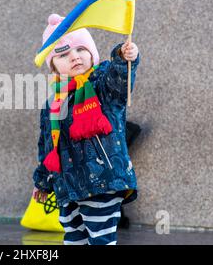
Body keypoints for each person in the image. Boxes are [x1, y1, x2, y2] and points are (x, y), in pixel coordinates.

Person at [32, 14, 140, 245]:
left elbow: (120, 79)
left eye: (81, 50)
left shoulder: (102, 85)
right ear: (53, 67)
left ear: (91, 53)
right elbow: (47, 145)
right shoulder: (53, 104)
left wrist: (123, 58)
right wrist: (42, 181)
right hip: (67, 186)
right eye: (63, 54)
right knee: (74, 238)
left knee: (100, 238)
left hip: (103, 181)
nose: (74, 57)